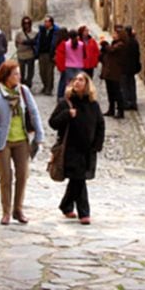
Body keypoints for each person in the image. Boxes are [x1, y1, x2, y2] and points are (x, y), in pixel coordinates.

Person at [0, 59, 45, 225]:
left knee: (22, 175)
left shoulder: (23, 92)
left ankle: (18, 209)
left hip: (22, 140)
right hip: (3, 141)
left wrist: (39, 136)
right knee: (5, 177)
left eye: (19, 73)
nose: (19, 76)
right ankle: (6, 211)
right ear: (6, 76)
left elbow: (34, 113)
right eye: (15, 74)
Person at [49, 73, 105, 225]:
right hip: (70, 148)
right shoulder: (65, 103)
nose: (77, 82)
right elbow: (53, 122)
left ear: (87, 84)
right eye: (75, 80)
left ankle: (66, 205)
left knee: (76, 179)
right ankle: (84, 213)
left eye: (81, 80)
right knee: (79, 178)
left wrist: (97, 144)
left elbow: (100, 124)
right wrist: (67, 115)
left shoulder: (93, 105)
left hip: (87, 149)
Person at [99, 27, 127, 118]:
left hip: (115, 72)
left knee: (117, 92)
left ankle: (120, 110)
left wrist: (105, 44)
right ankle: (111, 109)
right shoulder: (114, 43)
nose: (113, 35)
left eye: (115, 34)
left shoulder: (121, 44)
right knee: (110, 91)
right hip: (109, 71)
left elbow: (112, 50)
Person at [55, 29, 86, 100]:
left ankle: (68, 98)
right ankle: (77, 98)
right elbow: (84, 55)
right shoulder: (81, 44)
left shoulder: (65, 44)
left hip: (68, 66)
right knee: (78, 83)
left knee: (69, 84)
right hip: (79, 66)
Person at [35, 15, 60, 95]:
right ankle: (45, 86)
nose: (46, 23)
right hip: (41, 53)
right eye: (45, 21)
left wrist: (55, 53)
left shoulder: (55, 32)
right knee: (42, 72)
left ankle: (49, 88)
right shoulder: (41, 31)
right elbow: (36, 40)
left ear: (51, 23)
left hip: (50, 54)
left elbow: (57, 43)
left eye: (47, 21)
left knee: (49, 72)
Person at [120, 25, 141, 110]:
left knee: (124, 85)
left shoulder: (123, 43)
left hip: (124, 68)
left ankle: (126, 103)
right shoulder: (134, 42)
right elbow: (137, 55)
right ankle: (133, 102)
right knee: (132, 85)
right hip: (132, 68)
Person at [14, 16, 38, 88]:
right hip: (21, 54)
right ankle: (22, 82)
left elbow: (35, 42)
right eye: (25, 23)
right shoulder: (19, 33)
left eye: (28, 23)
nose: (26, 25)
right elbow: (16, 43)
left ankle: (29, 82)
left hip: (30, 54)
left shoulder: (35, 32)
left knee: (30, 70)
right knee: (21, 70)